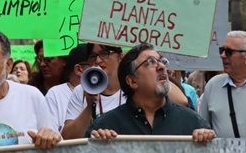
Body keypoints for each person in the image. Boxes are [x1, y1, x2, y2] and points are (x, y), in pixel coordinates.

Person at [87, 43, 215, 142]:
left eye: (162, 61)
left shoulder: (192, 123)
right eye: (150, 62)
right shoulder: (107, 126)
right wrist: (98, 146)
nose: (161, 67)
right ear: (132, 81)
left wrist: (208, 140)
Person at [45, 44, 90, 131]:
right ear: (79, 69)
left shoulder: (105, 91)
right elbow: (51, 132)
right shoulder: (55, 94)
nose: (99, 68)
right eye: (93, 64)